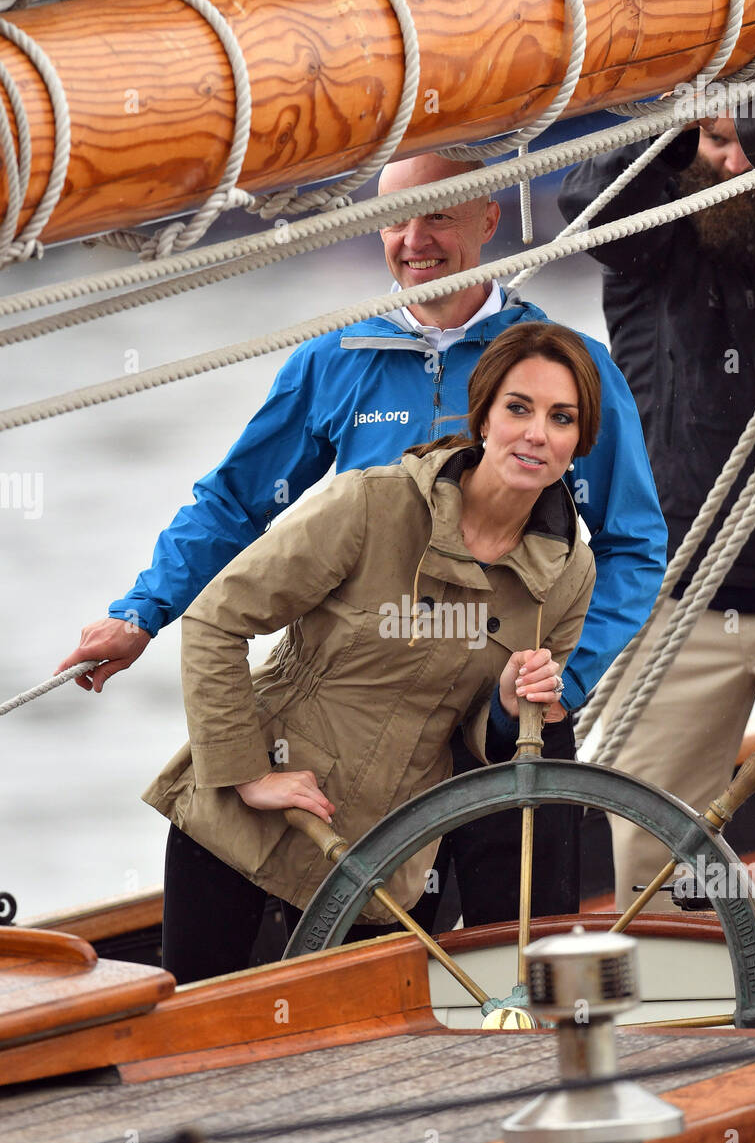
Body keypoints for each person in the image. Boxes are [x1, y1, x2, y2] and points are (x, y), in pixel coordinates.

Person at [57, 152, 666, 926]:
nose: (415, 239)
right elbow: (236, 505)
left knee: (526, 952)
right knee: (342, 950)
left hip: (506, 708)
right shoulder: (331, 362)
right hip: (364, 701)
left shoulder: (564, 368)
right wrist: (143, 612)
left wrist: (561, 685)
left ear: (489, 220)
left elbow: (634, 545)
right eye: (394, 218)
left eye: (439, 214)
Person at [146, 322, 599, 983]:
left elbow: (483, 744)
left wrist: (505, 710)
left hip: (384, 862)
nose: (537, 434)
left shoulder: (569, 575)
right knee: (192, 1047)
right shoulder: (370, 504)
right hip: (241, 827)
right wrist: (248, 774)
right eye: (519, 408)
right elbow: (215, 619)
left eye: (562, 419)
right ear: (482, 414)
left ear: (579, 443)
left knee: (348, 1072)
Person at [558, 115, 755, 909]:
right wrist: (681, 127)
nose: (735, 165)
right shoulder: (648, 230)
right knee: (643, 867)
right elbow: (586, 206)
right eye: (715, 144)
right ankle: (675, 1024)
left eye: (750, 143)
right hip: (680, 596)